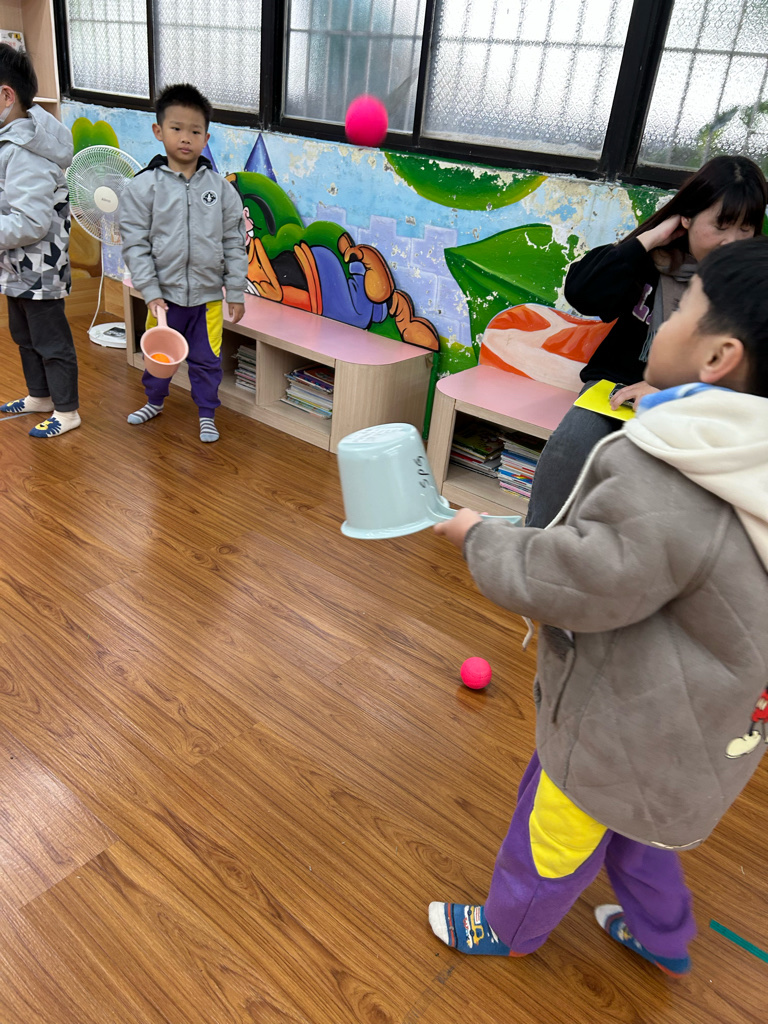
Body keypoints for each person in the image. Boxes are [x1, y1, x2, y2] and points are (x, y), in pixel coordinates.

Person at [429, 236, 768, 976]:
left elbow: (579, 578)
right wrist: (669, 402)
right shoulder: (748, 459)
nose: (666, 321)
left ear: (719, 357)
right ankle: (664, 938)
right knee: (643, 834)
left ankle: (508, 927)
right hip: (703, 730)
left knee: (552, 832)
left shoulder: (671, 479)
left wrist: (478, 537)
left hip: (620, 724)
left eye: (684, 309)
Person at [526, 155, 767, 528]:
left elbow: (751, 380)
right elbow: (583, 293)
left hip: (706, 407)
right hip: (617, 390)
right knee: (573, 444)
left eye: (745, 228)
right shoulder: (650, 260)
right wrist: (648, 239)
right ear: (687, 217)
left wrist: (669, 393)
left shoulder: (753, 280)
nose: (731, 242)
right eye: (720, 225)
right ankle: (539, 543)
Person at [120, 83, 247, 443]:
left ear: (206, 137)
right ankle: (154, 401)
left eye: (195, 131)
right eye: (176, 128)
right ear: (158, 131)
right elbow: (135, 244)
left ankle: (207, 413)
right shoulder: (143, 187)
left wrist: (236, 291)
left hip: (207, 300)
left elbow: (234, 242)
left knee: (207, 360)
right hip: (163, 300)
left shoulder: (221, 189)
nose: (186, 138)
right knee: (159, 356)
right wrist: (150, 291)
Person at [0, 44, 80, 438]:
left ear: (6, 96)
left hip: (40, 268)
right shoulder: (12, 141)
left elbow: (30, 223)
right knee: (24, 336)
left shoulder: (27, 153)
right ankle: (40, 396)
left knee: (50, 341)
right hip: (16, 266)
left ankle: (67, 411)